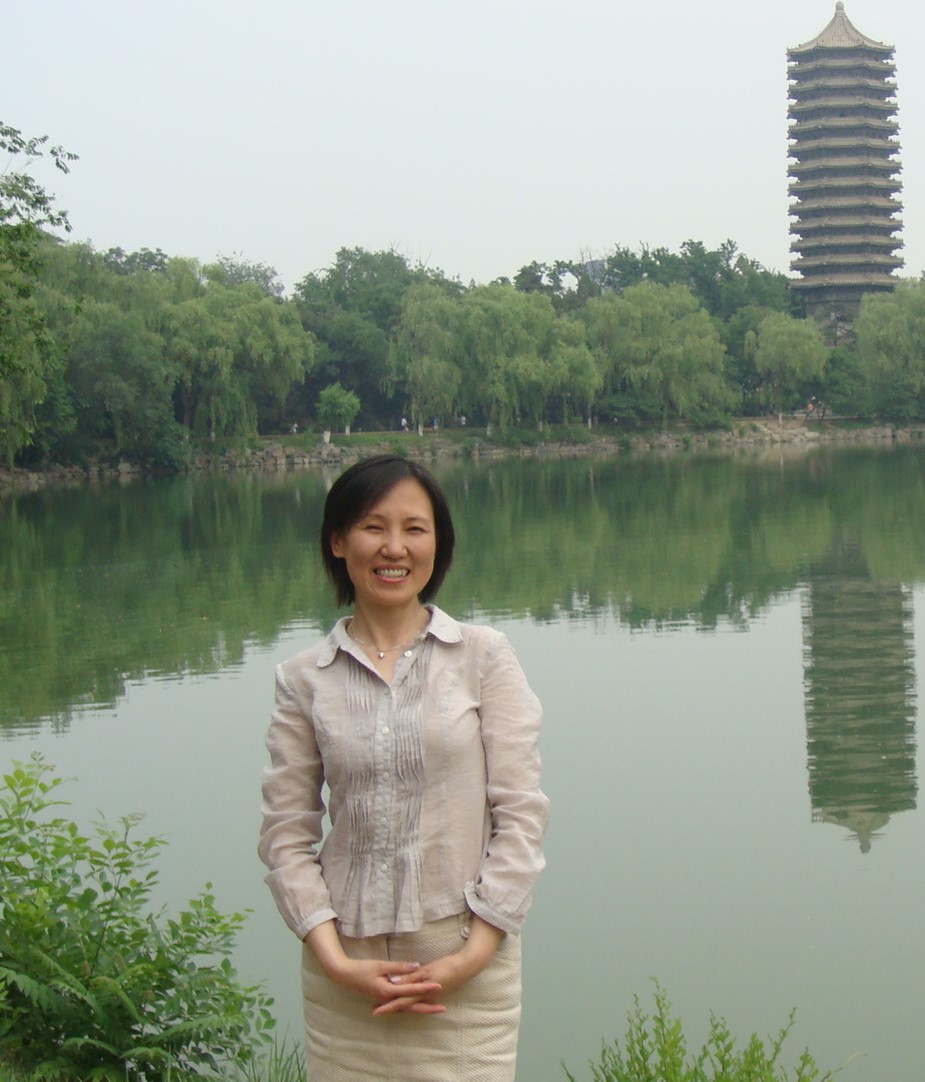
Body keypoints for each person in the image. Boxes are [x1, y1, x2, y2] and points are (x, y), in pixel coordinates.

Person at [258, 455, 548, 1081]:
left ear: (438, 544)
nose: (395, 548)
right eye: (373, 527)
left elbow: (521, 818)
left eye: (415, 528)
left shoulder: (483, 658)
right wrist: (335, 961)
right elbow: (286, 835)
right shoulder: (303, 679)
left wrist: (468, 958)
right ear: (338, 540)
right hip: (347, 976)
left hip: (465, 968)